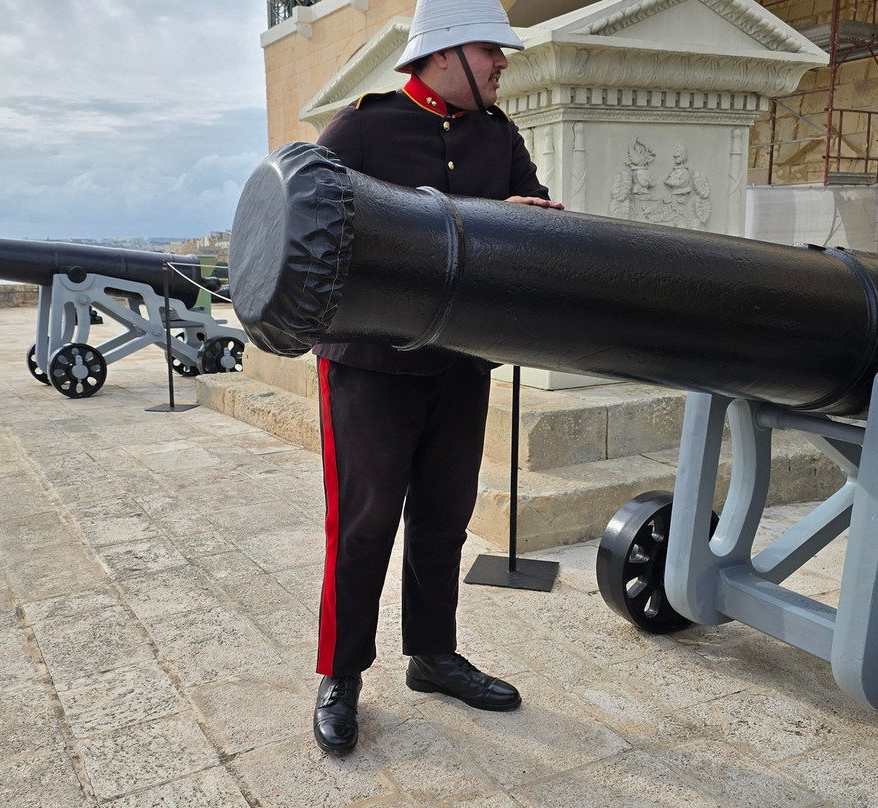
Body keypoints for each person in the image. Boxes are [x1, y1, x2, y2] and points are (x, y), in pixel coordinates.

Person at [310, 0, 563, 755]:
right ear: (446, 53)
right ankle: (341, 674)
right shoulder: (360, 129)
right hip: (369, 367)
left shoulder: (500, 136)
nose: (502, 63)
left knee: (444, 520)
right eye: (493, 50)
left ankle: (433, 655)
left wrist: (525, 220)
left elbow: (535, 219)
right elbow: (313, 227)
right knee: (362, 526)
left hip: (457, 363)